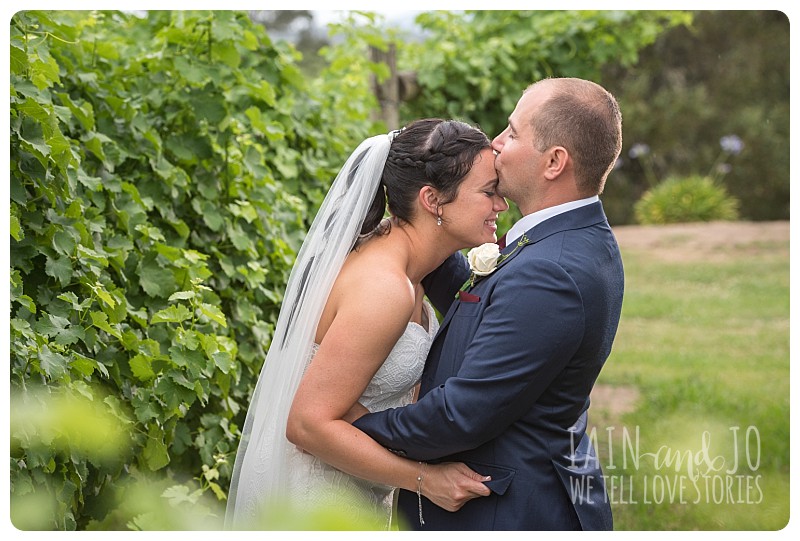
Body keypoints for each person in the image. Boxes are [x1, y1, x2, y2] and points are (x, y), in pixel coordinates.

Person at [352, 77, 625, 530]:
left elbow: (458, 416)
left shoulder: (551, 271)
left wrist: (347, 429)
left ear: (555, 162)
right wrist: (416, 226)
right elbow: (488, 299)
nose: (496, 143)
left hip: (508, 514)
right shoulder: (569, 239)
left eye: (513, 133)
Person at [225, 118, 508, 530]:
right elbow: (306, 424)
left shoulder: (406, 263)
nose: (500, 204)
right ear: (433, 200)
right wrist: (426, 481)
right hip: (319, 497)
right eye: (488, 192)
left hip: (354, 484)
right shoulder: (384, 289)